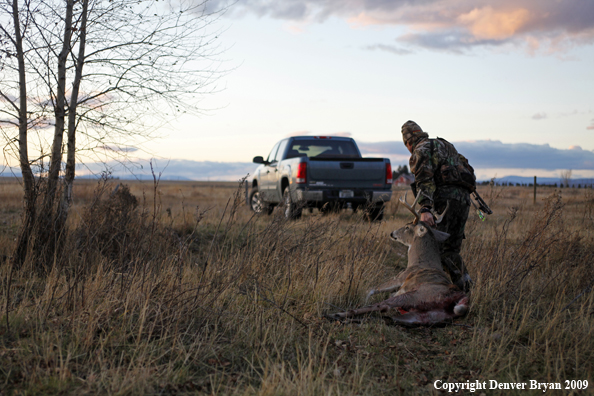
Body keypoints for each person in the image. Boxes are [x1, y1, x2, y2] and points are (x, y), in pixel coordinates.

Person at [401, 120, 474, 291]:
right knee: (451, 250)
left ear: (409, 142)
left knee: (436, 251)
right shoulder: (445, 144)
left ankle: (438, 294)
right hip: (463, 200)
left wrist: (425, 208)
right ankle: (466, 289)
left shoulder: (421, 149)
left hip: (444, 202)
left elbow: (424, 179)